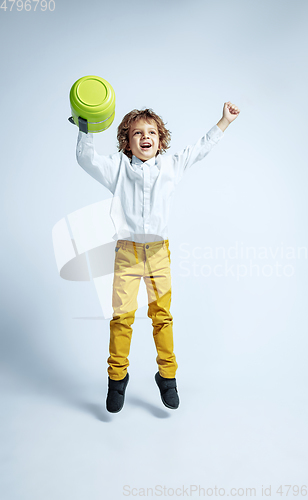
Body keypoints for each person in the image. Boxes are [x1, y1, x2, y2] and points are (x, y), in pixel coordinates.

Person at [75, 102, 240, 413]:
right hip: (126, 254)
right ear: (127, 141)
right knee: (121, 318)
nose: (145, 137)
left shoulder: (170, 166)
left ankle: (167, 377)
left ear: (161, 141)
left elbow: (200, 149)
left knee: (161, 317)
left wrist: (224, 121)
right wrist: (85, 128)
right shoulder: (117, 168)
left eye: (151, 132)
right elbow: (85, 158)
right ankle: (117, 379)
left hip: (158, 255)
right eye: (137, 133)